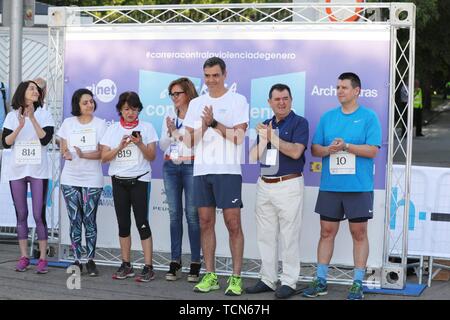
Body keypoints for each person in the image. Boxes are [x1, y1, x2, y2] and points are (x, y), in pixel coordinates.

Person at [303, 72, 381, 300]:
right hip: (331, 186)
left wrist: (347, 146)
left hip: (358, 186)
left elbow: (373, 150)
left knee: (359, 233)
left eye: (344, 87)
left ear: (356, 91)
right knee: (326, 232)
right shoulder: (328, 117)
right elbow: (315, 149)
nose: (339, 91)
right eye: (337, 87)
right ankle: (321, 280)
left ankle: (357, 282)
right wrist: (330, 150)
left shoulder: (369, 117)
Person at [183, 57, 249, 296]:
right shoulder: (196, 103)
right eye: (207, 75)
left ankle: (236, 277)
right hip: (202, 171)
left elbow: (238, 137)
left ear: (225, 74)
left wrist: (214, 123)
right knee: (205, 223)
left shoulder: (237, 100)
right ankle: (210, 275)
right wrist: (203, 125)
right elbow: (189, 142)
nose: (211, 80)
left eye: (215, 75)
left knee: (233, 224)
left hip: (228, 172)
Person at [246, 84, 309, 299]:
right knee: (265, 235)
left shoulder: (300, 122)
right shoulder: (265, 125)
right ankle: (268, 278)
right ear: (269, 102)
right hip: (265, 184)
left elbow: (295, 152)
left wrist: (272, 137)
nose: (281, 102)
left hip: (288, 184)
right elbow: (253, 157)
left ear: (291, 100)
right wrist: (265, 137)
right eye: (277, 99)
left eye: (285, 98)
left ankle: (289, 281)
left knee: (289, 235)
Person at [100, 91, 158, 282]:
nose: (130, 113)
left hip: (140, 180)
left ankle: (148, 266)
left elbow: (151, 157)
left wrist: (139, 143)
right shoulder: (112, 129)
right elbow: (104, 158)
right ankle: (126, 264)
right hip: (118, 181)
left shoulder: (147, 127)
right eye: (126, 109)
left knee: (142, 223)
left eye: (134, 109)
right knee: (123, 224)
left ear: (139, 109)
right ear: (120, 111)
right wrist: (119, 147)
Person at [1, 80, 55, 274]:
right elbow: (6, 143)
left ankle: (42, 258)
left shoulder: (45, 114)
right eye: (31, 88)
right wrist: (19, 126)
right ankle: (24, 256)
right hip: (17, 170)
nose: (35, 91)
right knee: (21, 214)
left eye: (37, 89)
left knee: (38, 214)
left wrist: (32, 119)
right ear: (22, 92)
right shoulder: (11, 116)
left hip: (38, 170)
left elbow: (45, 139)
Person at [57, 88, 106, 276]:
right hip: (70, 178)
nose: (90, 105)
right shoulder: (68, 124)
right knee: (75, 219)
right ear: (77, 104)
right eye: (85, 102)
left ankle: (91, 259)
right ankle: (77, 259)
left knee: (89, 220)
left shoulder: (101, 124)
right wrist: (67, 154)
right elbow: (63, 149)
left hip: (92, 179)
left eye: (91, 101)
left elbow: (102, 153)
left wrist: (83, 154)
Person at [160, 78, 201, 282]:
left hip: (191, 165)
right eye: (172, 94)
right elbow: (162, 145)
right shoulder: (169, 115)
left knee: (192, 215)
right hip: (170, 166)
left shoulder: (197, 116)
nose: (175, 97)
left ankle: (195, 262)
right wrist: (169, 133)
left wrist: (177, 132)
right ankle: (175, 261)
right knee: (174, 215)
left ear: (188, 94)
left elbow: (196, 144)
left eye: (178, 93)